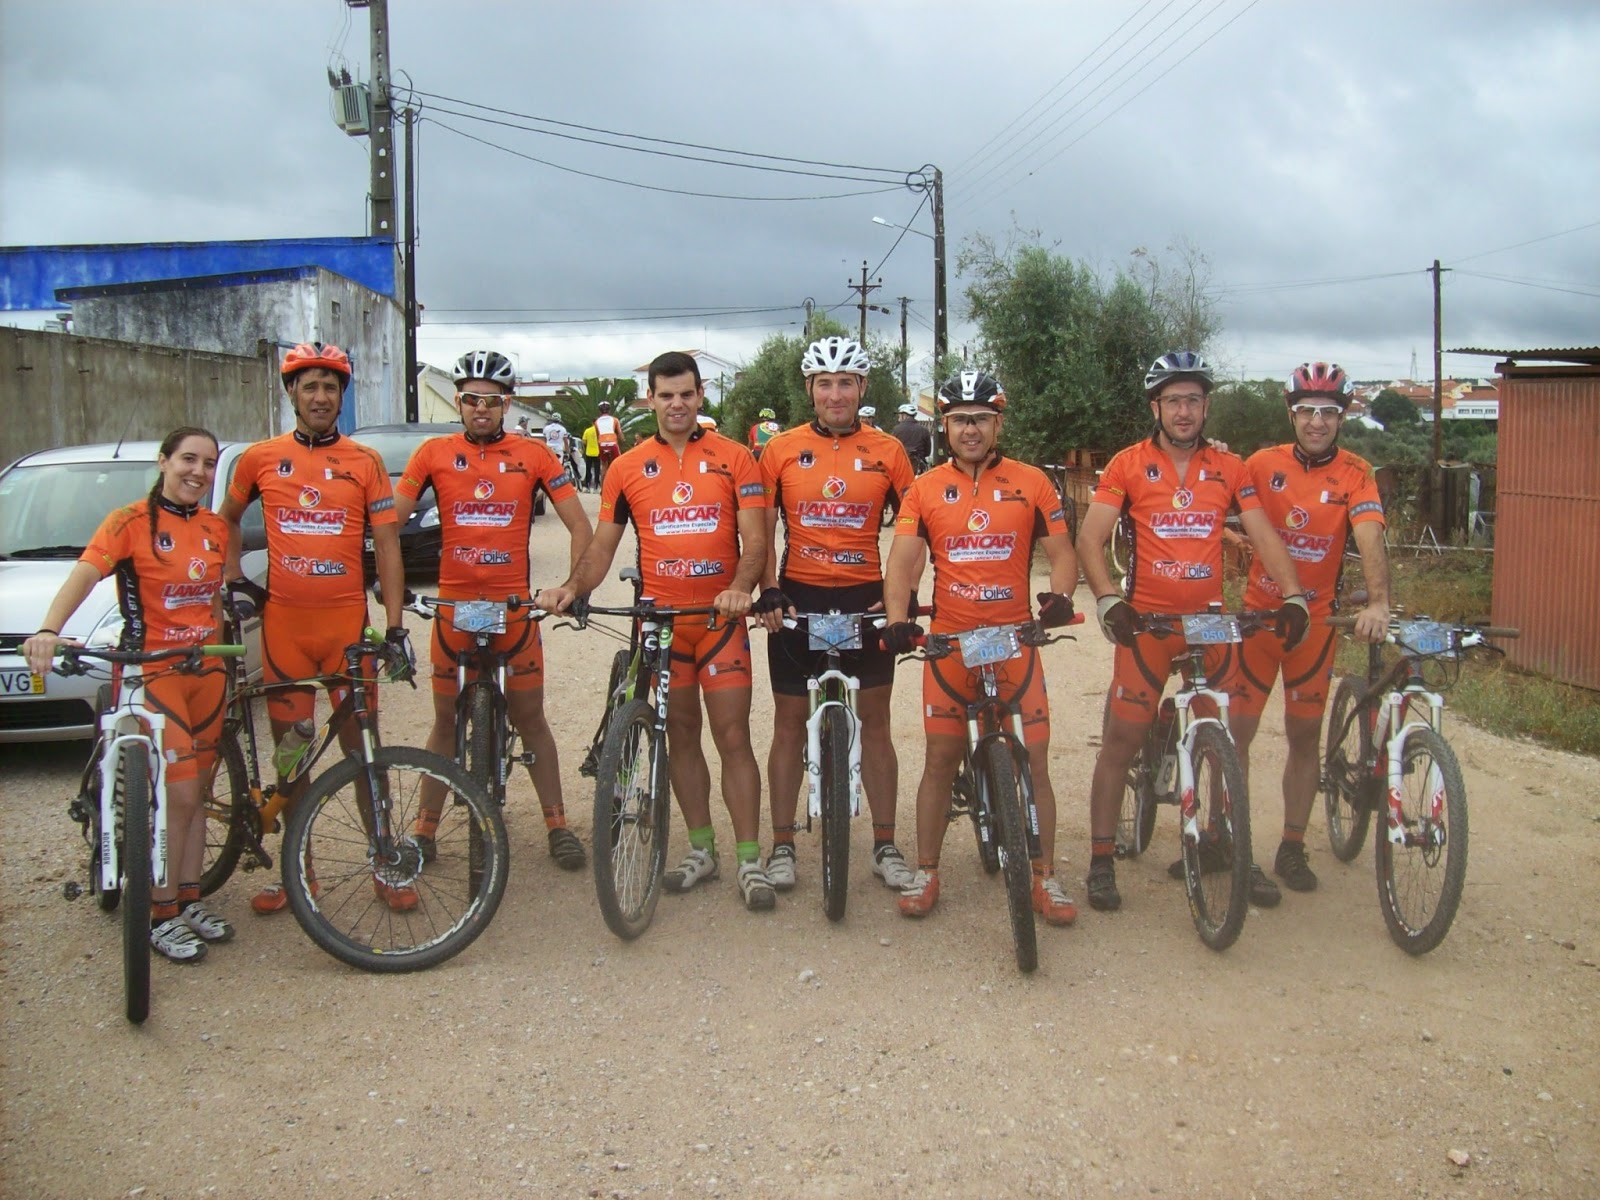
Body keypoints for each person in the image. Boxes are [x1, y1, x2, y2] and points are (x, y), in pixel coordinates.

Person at [535, 351, 775, 911]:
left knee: (733, 736)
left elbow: (756, 541)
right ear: (650, 399)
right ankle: (702, 849)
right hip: (662, 624)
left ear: (700, 395)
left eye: (686, 394)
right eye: (666, 395)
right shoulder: (625, 467)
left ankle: (749, 859)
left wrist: (741, 587)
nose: (677, 404)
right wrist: (572, 588)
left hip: (718, 621)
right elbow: (602, 546)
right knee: (681, 736)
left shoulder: (736, 458)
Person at [1074, 350, 1310, 914]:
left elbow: (1263, 534)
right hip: (1149, 624)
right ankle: (1101, 860)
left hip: (1209, 622)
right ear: (1156, 407)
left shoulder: (1230, 467)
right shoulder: (1127, 465)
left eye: (1194, 401)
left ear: (1206, 408)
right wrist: (1108, 599)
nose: (1184, 411)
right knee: (1121, 741)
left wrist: (1294, 594)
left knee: (1227, 739)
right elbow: (1089, 539)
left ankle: (1230, 845)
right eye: (1174, 400)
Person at [24, 428, 234, 961]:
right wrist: (48, 630)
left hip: (206, 672)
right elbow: (84, 576)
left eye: (208, 463)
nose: (199, 472)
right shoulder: (129, 522)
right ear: (164, 462)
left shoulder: (214, 527)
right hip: (152, 671)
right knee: (178, 795)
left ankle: (188, 898)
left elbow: (213, 600)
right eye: (188, 459)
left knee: (199, 795)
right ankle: (160, 913)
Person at [880, 370, 1082, 925]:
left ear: (998, 425)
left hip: (1015, 641)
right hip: (950, 644)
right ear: (944, 427)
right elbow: (903, 560)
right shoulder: (924, 489)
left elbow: (1062, 553)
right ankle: (927, 871)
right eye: (960, 420)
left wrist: (1061, 598)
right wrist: (897, 619)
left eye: (982, 420)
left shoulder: (1032, 482)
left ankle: (1044, 876)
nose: (971, 430)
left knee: (1035, 758)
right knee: (940, 759)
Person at [218, 342, 411, 914]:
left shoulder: (364, 461)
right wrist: (233, 579)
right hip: (286, 631)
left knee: (364, 749)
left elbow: (387, 545)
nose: (321, 397)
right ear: (291, 394)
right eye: (310, 387)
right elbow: (226, 520)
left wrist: (394, 626)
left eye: (330, 387)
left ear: (341, 396)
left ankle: (385, 860)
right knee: (292, 755)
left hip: (346, 630)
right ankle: (298, 874)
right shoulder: (260, 459)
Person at [397, 350, 595, 870]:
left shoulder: (535, 455)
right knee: (444, 721)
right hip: (453, 607)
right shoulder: (433, 454)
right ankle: (424, 831)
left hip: (513, 607)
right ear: (458, 402)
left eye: (492, 400)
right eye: (471, 399)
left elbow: (580, 525)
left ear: (507, 404)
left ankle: (557, 824)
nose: (480, 408)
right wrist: (385, 582)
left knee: (530, 718)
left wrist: (570, 586)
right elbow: (389, 522)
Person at [753, 336, 917, 895]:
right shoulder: (780, 449)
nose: (836, 394)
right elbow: (761, 529)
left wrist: (901, 595)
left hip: (863, 598)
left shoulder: (890, 450)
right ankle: (781, 845)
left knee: (877, 722)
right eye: (825, 383)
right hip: (797, 599)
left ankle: (886, 844)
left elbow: (915, 530)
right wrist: (768, 588)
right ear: (810, 389)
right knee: (786, 724)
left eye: (846, 382)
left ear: (862, 388)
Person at [1229, 362, 1391, 899]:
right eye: (1306, 411)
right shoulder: (1261, 464)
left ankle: (1292, 846)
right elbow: (1212, 503)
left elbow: (1368, 536)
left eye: (1328, 412)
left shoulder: (1357, 472)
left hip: (1315, 626)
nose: (1317, 421)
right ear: (1291, 415)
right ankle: (1228, 840)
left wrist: (1380, 602)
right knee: (1237, 734)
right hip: (1259, 618)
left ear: (1342, 417)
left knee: (1304, 737)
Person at [891, 401, 932, 473]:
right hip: (918, 467)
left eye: (899, 415)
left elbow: (892, 448)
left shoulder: (896, 429)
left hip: (901, 466)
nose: (898, 418)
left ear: (904, 416)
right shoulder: (924, 430)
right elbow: (927, 452)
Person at [593, 400, 622, 482]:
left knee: (604, 466)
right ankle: (618, 483)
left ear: (600, 411)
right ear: (609, 410)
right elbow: (620, 433)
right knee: (618, 463)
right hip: (613, 443)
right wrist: (622, 439)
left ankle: (603, 487)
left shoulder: (596, 422)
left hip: (602, 445)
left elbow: (597, 434)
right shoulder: (615, 420)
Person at [581, 421, 601, 492]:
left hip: (588, 452)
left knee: (588, 469)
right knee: (597, 470)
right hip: (597, 453)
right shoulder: (600, 431)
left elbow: (584, 441)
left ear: (592, 423)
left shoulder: (587, 430)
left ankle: (587, 485)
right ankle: (596, 486)